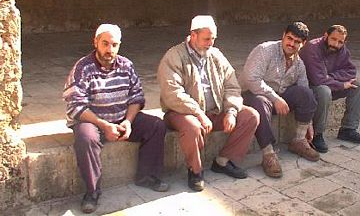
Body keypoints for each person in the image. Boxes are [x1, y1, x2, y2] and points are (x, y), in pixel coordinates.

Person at [63, 24, 168, 214]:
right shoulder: (82, 68)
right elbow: (76, 105)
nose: (109, 49)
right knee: (86, 138)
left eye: (114, 44)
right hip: (93, 122)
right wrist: (104, 125)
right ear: (95, 42)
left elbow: (136, 97)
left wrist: (128, 121)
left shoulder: (126, 65)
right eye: (105, 43)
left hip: (121, 118)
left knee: (156, 126)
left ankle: (147, 177)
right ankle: (92, 192)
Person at [157, 15, 260, 192]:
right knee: (193, 127)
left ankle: (223, 161)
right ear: (193, 35)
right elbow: (172, 93)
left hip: (214, 110)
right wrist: (198, 113)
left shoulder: (216, 55)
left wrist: (231, 111)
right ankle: (195, 171)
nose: (210, 43)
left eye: (213, 38)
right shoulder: (174, 56)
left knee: (250, 116)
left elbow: (231, 85)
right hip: (182, 112)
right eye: (206, 38)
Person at [239, 22, 319, 178]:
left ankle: (299, 140)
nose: (291, 44)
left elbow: (304, 87)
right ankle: (268, 154)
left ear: (303, 44)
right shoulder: (265, 50)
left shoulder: (299, 63)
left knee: (306, 93)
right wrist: (275, 99)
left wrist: (308, 123)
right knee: (260, 103)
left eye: (297, 42)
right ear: (283, 35)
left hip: (277, 98)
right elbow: (251, 79)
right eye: (289, 38)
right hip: (252, 94)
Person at [299, 24, 360, 154]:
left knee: (358, 86)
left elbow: (351, 71)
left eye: (340, 42)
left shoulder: (341, 49)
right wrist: (340, 84)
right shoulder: (312, 48)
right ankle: (317, 134)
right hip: (309, 88)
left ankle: (348, 129)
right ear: (325, 35)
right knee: (324, 91)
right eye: (333, 39)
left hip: (329, 83)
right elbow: (317, 79)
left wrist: (331, 77)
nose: (336, 44)